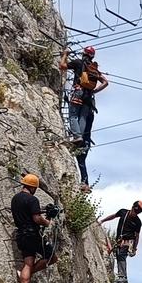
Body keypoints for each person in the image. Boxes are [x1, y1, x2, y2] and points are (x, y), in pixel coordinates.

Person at [64, 46, 107, 186]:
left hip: (78, 92)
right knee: (82, 117)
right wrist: (94, 91)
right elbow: (106, 82)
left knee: (73, 115)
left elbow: (62, 66)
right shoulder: (94, 69)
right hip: (89, 98)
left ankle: (77, 136)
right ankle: (80, 137)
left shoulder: (78, 63)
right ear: (92, 57)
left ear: (84, 54)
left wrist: (65, 54)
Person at [10, 173, 53, 283]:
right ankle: (28, 274)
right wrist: (47, 222)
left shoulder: (15, 199)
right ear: (33, 187)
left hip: (21, 234)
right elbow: (36, 218)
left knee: (28, 263)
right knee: (52, 256)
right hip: (32, 234)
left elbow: (27, 213)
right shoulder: (32, 199)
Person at [97, 200, 142, 283]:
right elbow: (113, 216)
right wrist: (102, 221)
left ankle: (122, 276)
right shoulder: (123, 212)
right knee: (118, 254)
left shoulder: (137, 222)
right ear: (132, 207)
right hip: (120, 239)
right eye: (134, 211)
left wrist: (134, 248)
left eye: (137, 213)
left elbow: (137, 236)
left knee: (122, 254)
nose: (135, 214)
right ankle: (122, 276)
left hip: (128, 241)